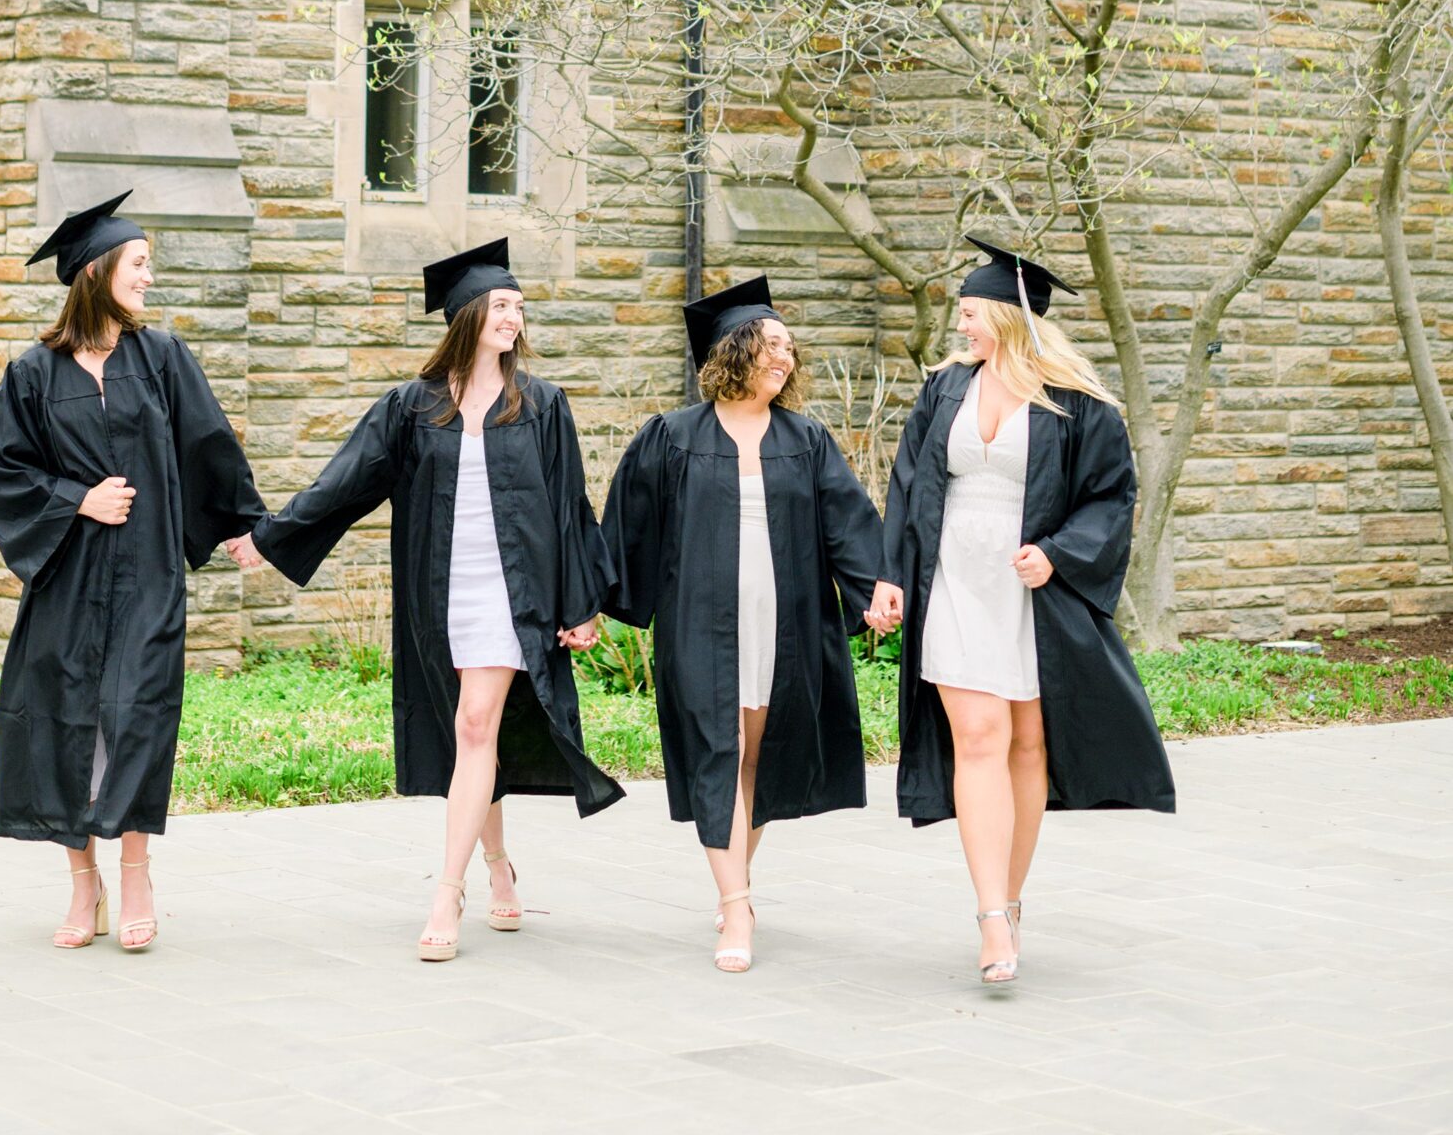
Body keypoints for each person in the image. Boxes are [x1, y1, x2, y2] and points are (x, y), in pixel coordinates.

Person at [226, 238, 620, 959]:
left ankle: (448, 892)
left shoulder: (543, 405)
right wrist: (273, 535)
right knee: (476, 734)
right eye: (502, 306)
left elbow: (571, 507)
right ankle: (500, 865)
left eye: (519, 307)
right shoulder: (412, 407)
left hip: (515, 592)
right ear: (468, 315)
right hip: (442, 592)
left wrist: (580, 601)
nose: (514, 318)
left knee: (474, 725)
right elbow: (346, 480)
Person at [879, 235, 1176, 989]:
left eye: (972, 315)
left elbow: (1111, 497)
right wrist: (888, 575)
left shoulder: (1077, 401)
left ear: (1010, 317)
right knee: (977, 733)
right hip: (953, 574)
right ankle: (987, 915)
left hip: (1028, 587)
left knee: (1026, 746)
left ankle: (1009, 901)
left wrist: (1059, 553)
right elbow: (907, 482)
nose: (962, 329)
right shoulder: (944, 388)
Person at [0, 192, 264, 953]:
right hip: (69, 578)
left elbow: (208, 443)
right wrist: (78, 499)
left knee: (136, 714)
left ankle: (135, 875)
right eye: (138, 264)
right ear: (97, 273)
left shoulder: (161, 357)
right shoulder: (33, 374)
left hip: (145, 573)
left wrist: (241, 528)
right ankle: (84, 886)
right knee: (66, 717)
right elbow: (4, 472)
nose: (148, 276)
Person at [601, 276, 895, 974]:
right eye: (771, 346)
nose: (784, 358)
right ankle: (735, 907)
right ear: (734, 352)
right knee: (717, 748)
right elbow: (625, 529)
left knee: (758, 756)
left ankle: (734, 883)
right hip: (699, 612)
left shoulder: (806, 438)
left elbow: (847, 522)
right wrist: (589, 604)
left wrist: (874, 588)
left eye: (789, 349)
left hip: (784, 610)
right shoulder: (670, 436)